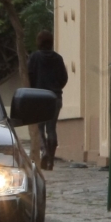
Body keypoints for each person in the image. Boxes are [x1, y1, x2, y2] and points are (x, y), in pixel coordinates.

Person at [28, 30, 68, 170]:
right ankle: (51, 159)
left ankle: (44, 151)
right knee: (51, 128)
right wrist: (56, 88)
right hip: (55, 97)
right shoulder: (58, 58)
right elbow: (64, 78)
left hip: (38, 97)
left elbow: (29, 77)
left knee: (39, 128)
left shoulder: (34, 57)